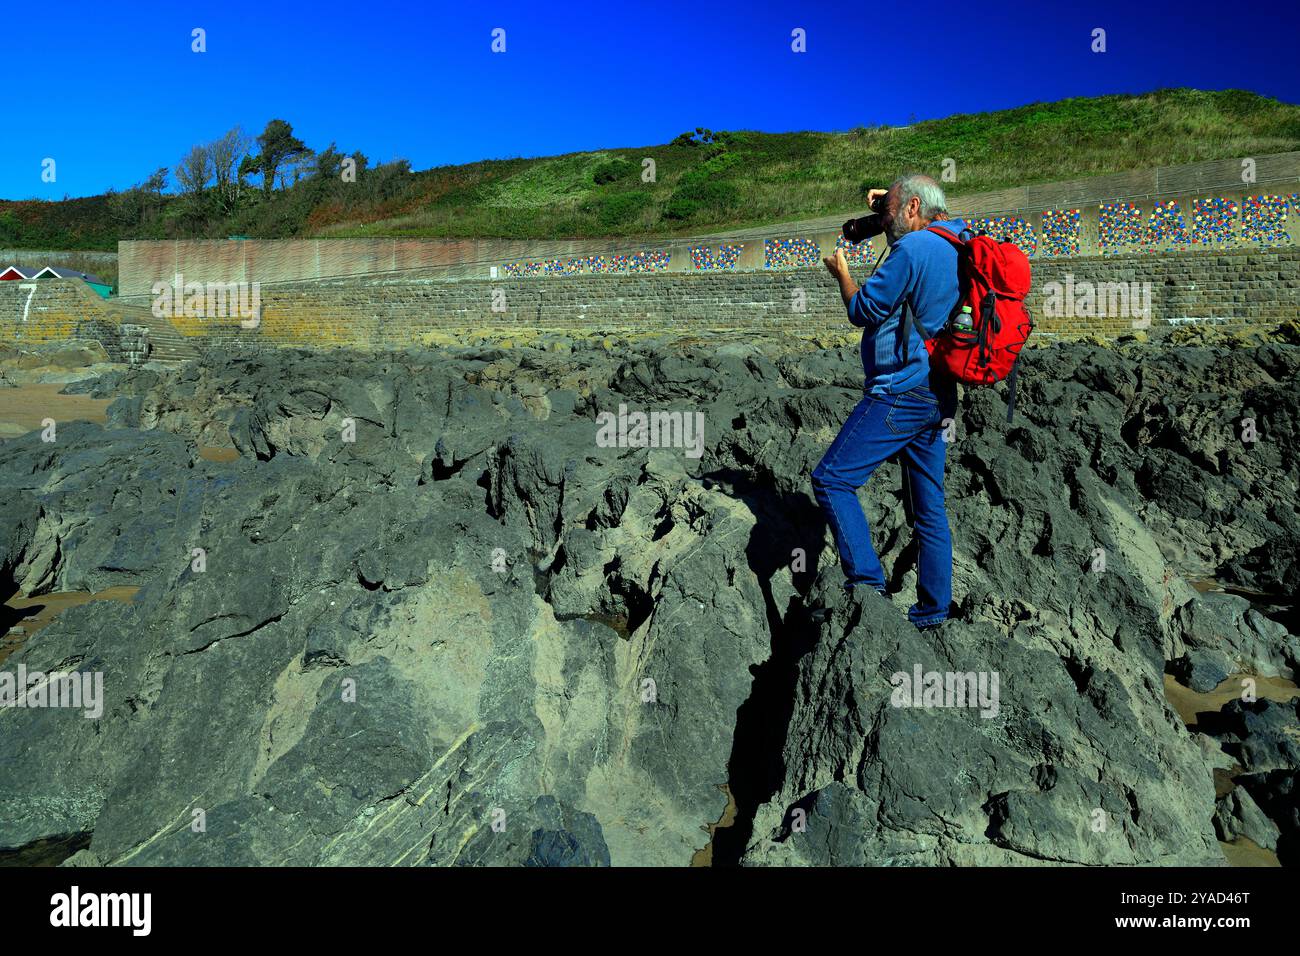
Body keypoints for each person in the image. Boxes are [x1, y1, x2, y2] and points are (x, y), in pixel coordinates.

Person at [812, 173, 968, 630]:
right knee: (929, 509)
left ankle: (866, 584)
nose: (885, 221)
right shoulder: (957, 241)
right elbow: (931, 215)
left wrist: (843, 274)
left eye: (893, 211)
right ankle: (933, 611)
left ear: (914, 208)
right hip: (938, 395)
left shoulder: (912, 250)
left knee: (831, 479)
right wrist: (889, 205)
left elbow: (861, 310)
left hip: (900, 391)